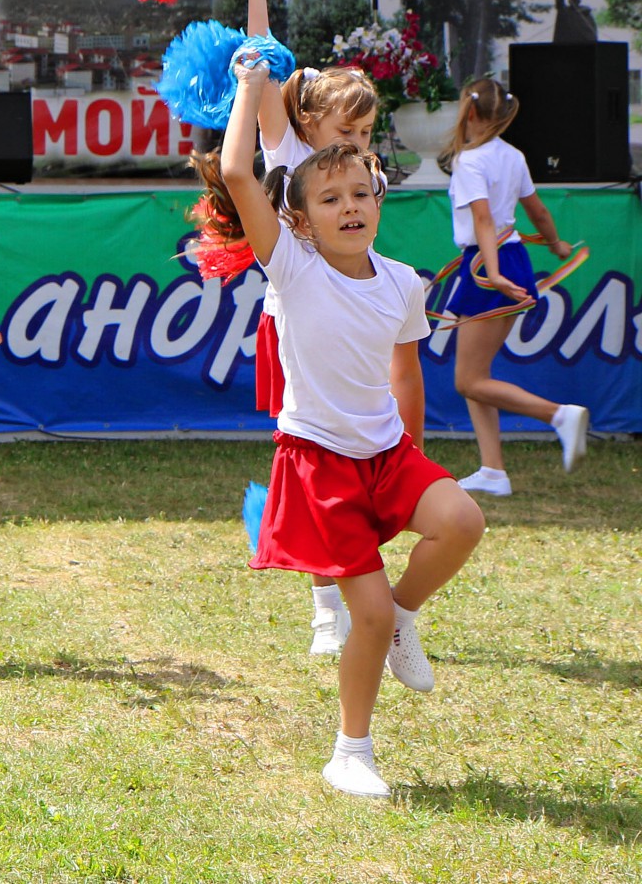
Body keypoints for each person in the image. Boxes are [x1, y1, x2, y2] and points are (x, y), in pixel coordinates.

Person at [201, 50, 484, 799]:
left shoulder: (401, 281)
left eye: (362, 191)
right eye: (330, 198)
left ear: (380, 199)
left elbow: (404, 374)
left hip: (388, 454)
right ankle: (350, 749)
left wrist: (417, 459)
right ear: (298, 217)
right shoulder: (292, 266)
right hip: (320, 465)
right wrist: (249, 87)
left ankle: (404, 614)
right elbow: (237, 173)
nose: (350, 205)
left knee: (461, 518)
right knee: (359, 611)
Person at [246, 0, 388, 658]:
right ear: (308, 124)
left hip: (350, 330)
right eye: (348, 125)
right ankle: (324, 605)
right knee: (313, 455)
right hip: (294, 323)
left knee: (350, 455)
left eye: (368, 127)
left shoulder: (371, 176)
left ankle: (352, 591)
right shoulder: (290, 152)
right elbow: (265, 71)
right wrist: (255, 0)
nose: (360, 137)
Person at [438, 77, 587, 496]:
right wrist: (556, 243)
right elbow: (536, 209)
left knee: (467, 380)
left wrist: (492, 269)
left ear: (469, 112)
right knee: (475, 374)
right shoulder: (512, 156)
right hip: (507, 257)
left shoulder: (470, 162)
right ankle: (493, 470)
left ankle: (559, 415)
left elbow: (484, 220)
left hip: (491, 262)